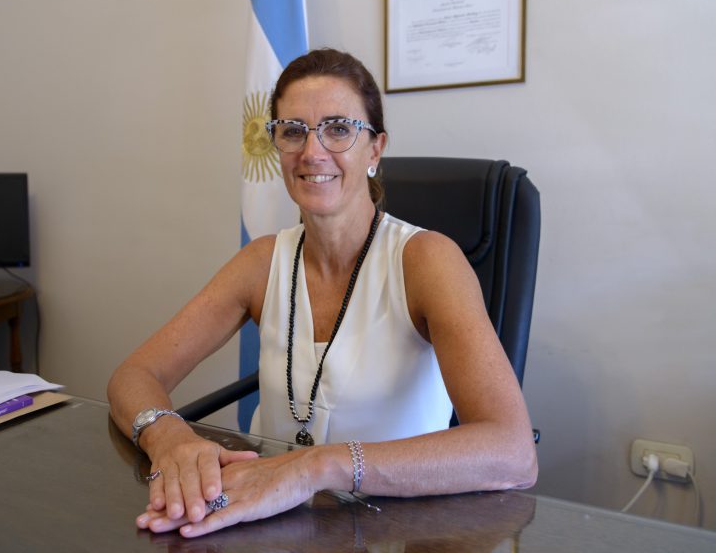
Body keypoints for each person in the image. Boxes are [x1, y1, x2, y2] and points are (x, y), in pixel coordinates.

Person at [107, 48, 537, 538]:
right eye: (293, 131)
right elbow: (133, 375)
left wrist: (317, 466)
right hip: (272, 523)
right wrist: (169, 438)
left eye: (338, 129)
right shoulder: (262, 261)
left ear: (374, 150)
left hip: (400, 533)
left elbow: (513, 451)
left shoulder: (427, 260)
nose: (312, 152)